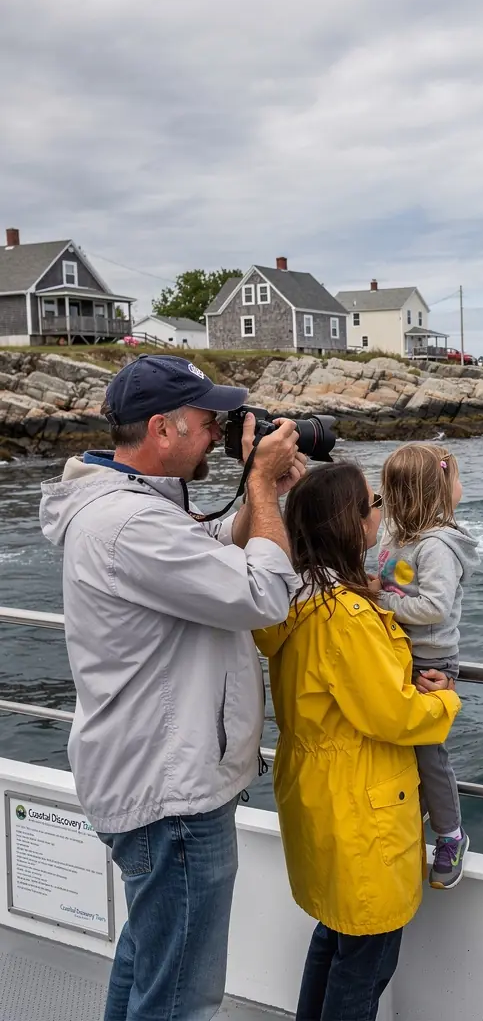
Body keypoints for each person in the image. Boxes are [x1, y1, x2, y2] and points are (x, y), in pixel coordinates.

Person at [38, 354, 304, 1021]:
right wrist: (266, 489)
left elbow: (209, 547)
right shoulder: (129, 524)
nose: (218, 431)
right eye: (207, 421)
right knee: (182, 996)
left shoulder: (128, 508)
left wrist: (253, 493)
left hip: (149, 775)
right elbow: (263, 592)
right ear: (163, 428)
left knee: (148, 958)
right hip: (171, 794)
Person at [253, 460, 460, 1021]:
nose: (380, 514)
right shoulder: (347, 616)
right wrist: (444, 699)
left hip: (319, 793)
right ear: (351, 524)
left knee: (336, 935)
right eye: (374, 505)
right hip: (361, 805)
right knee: (366, 957)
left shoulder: (296, 598)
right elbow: (392, 715)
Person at [374, 442, 479, 888]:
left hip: (430, 661)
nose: (461, 486)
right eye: (455, 478)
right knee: (395, 750)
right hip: (395, 654)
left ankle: (451, 834)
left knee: (428, 755)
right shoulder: (395, 537)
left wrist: (378, 601)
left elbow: (434, 607)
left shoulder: (436, 547)